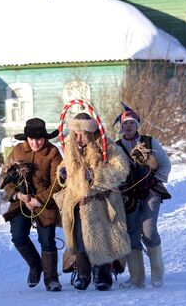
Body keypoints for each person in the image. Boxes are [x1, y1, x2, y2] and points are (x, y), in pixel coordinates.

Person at [54, 112, 131, 291]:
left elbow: (121, 169)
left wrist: (95, 176)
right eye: (75, 133)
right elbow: (64, 165)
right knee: (79, 237)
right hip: (76, 200)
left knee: (101, 237)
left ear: (89, 131)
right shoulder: (70, 146)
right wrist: (62, 173)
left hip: (100, 200)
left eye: (81, 133)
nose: (78, 137)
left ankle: (103, 274)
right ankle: (83, 273)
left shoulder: (105, 145)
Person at [0, 118, 63, 292]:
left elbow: (57, 183)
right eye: (32, 139)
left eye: (40, 139)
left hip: (44, 201)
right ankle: (35, 266)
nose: (35, 143)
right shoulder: (17, 151)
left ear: (45, 138)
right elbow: (4, 178)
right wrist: (18, 194)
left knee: (47, 240)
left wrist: (39, 200)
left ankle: (51, 279)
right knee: (18, 236)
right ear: (26, 138)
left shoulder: (52, 153)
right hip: (21, 201)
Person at [113, 103, 172, 288]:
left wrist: (155, 182)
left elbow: (165, 165)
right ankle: (137, 278)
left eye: (131, 123)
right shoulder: (116, 148)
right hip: (129, 196)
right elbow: (113, 172)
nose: (128, 126)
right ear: (121, 126)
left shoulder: (149, 142)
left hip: (151, 193)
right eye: (125, 123)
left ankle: (157, 274)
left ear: (137, 124)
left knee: (149, 231)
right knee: (131, 234)